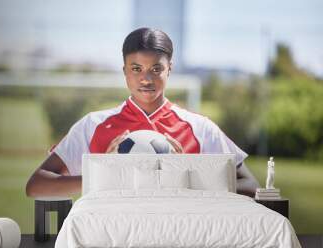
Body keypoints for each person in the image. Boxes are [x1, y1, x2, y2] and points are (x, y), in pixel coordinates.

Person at [26, 27, 260, 198]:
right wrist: (105, 175)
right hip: (113, 239)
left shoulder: (200, 129)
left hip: (180, 237)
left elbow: (252, 186)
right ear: (125, 71)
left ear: (170, 70)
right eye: (136, 69)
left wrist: (187, 177)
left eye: (156, 69)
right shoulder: (92, 125)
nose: (146, 78)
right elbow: (36, 185)